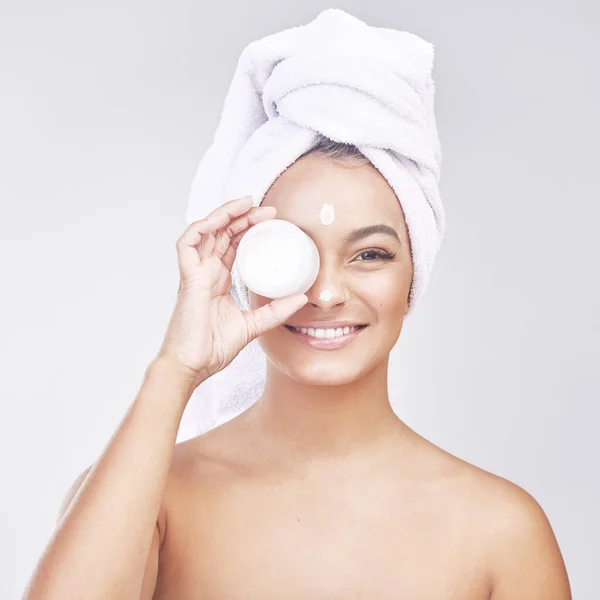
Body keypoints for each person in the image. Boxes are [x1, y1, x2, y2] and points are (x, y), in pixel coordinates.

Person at [22, 138, 572, 600]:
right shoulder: (150, 499)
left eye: (371, 254)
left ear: (413, 278)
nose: (327, 293)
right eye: (291, 253)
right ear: (243, 271)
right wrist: (176, 368)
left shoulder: (502, 530)